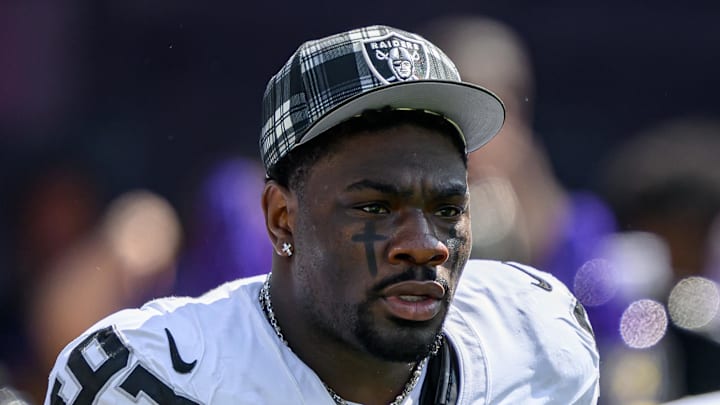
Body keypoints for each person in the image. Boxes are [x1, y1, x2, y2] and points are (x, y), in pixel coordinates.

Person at [44, 25, 599, 404]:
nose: (425, 243)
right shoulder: (155, 378)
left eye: (448, 207)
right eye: (376, 206)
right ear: (282, 218)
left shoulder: (536, 340)